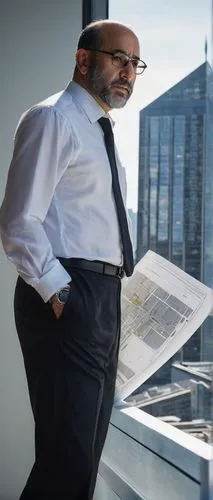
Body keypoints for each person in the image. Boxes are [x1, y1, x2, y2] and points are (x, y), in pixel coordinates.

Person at [0, 19, 147, 500]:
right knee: (67, 459)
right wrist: (64, 296)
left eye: (134, 63)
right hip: (71, 293)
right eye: (117, 58)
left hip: (102, 295)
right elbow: (20, 220)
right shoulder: (54, 118)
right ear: (84, 60)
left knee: (80, 457)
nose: (127, 71)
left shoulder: (99, 130)